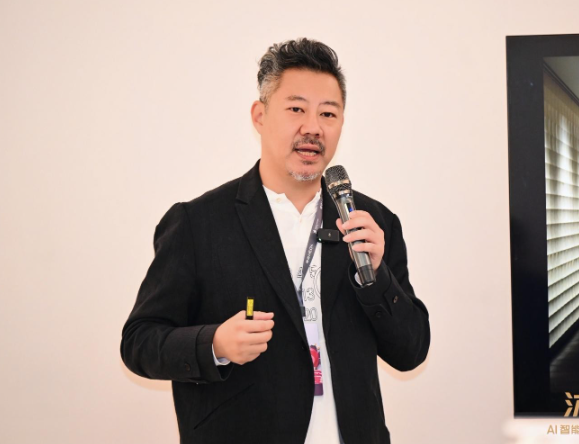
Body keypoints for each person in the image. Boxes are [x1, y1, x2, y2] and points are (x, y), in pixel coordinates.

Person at [121, 38, 430, 444]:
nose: (313, 127)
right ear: (260, 116)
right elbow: (140, 342)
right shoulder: (198, 223)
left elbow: (410, 352)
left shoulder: (372, 222)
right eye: (296, 109)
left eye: (328, 113)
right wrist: (215, 343)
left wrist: (377, 278)